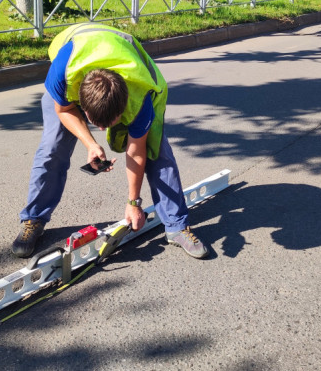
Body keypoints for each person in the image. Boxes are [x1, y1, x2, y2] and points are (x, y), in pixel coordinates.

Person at [12, 23, 208, 259]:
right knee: (52, 149)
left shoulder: (140, 98)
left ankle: (177, 225)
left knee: (158, 151)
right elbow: (64, 110)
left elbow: (137, 152)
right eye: (97, 123)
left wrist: (133, 202)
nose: (102, 129)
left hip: (133, 72)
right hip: (76, 53)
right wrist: (91, 143)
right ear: (82, 105)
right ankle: (34, 218)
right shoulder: (63, 73)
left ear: (123, 108)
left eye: (109, 123)